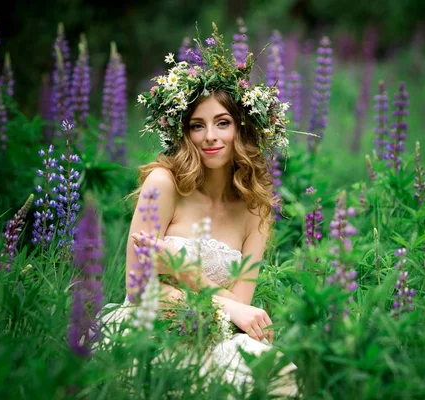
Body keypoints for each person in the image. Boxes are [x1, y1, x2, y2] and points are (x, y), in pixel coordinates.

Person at [98, 23, 297, 397]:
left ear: (242, 128)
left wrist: (178, 268)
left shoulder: (258, 208)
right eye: (196, 125)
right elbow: (140, 289)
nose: (210, 137)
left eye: (222, 123)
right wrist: (228, 307)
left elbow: (242, 309)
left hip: (214, 333)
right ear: (183, 132)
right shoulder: (164, 184)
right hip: (149, 326)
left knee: (277, 374)